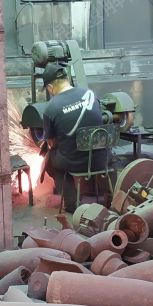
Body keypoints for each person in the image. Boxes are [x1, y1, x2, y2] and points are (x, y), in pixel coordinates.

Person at [40, 63, 107, 212]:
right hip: (101, 159)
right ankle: (111, 198)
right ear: (68, 79)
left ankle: (72, 204)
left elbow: (52, 144)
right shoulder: (89, 93)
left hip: (74, 164)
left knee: (49, 163)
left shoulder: (51, 107)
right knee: (111, 158)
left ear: (50, 87)